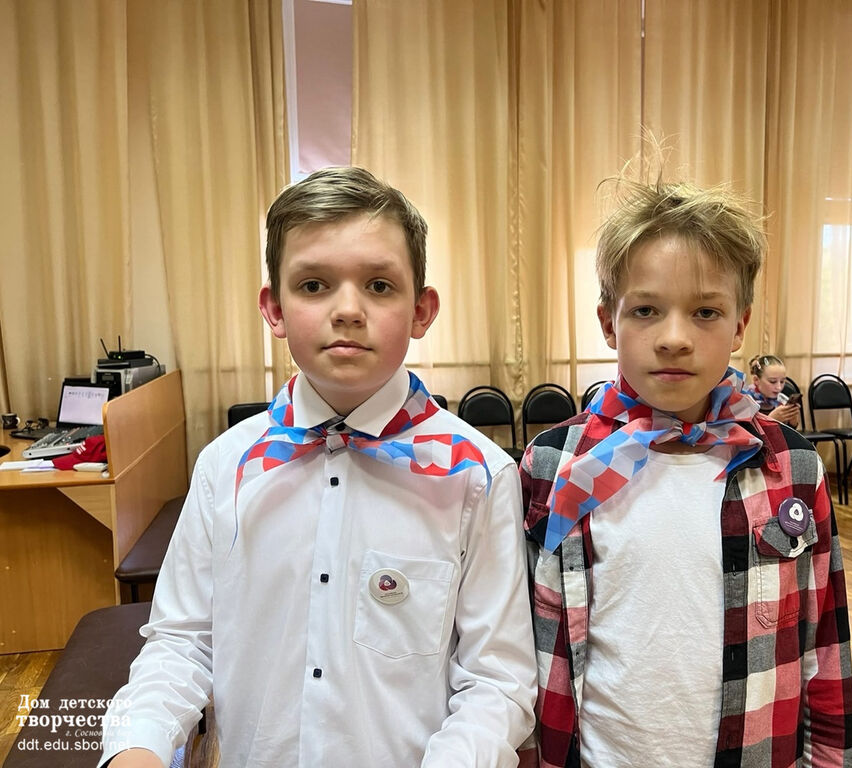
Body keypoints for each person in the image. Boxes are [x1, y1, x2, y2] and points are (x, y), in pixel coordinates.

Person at [100, 166, 537, 767]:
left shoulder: (477, 476)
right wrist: (137, 745)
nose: (348, 310)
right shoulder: (224, 467)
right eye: (314, 285)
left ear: (421, 310)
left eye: (379, 285)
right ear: (274, 309)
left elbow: (497, 680)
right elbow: (181, 642)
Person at [519, 179, 852, 767]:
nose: (675, 339)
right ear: (608, 323)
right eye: (645, 310)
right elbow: (523, 653)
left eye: (705, 312)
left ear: (740, 325)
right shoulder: (553, 466)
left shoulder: (792, 465)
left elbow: (824, 648)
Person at [748, 353, 801, 428]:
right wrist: (771, 419)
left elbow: (788, 433)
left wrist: (792, 421)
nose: (779, 387)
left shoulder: (782, 400)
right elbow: (745, 433)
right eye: (772, 381)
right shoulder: (745, 401)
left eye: (782, 381)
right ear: (756, 380)